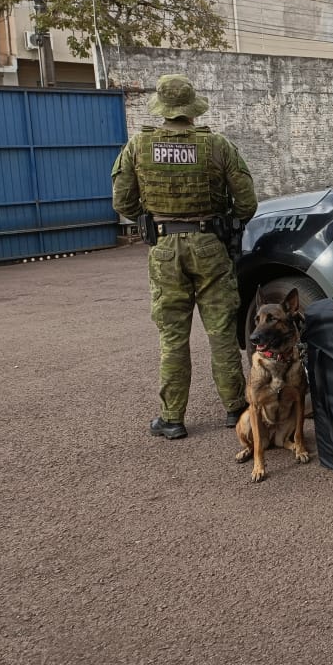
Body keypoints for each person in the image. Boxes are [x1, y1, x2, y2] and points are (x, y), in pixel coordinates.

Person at [112, 74, 258, 440]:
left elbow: (123, 203)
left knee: (173, 336)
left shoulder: (139, 146)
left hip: (164, 248)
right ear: (192, 109)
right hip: (210, 246)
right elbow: (247, 203)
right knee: (222, 331)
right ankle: (235, 409)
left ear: (162, 109)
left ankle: (172, 418)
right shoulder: (217, 146)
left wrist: (151, 217)